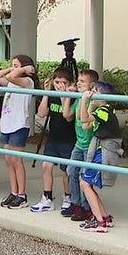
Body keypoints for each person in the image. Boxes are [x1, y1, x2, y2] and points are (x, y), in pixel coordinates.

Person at [0, 54, 39, 209]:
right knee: (8, 159)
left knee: (17, 160)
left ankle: (21, 194)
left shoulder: (27, 81)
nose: (13, 68)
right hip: (7, 123)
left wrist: (23, 70)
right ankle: (13, 191)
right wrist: (12, 68)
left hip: (19, 124)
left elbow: (12, 76)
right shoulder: (12, 81)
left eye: (17, 65)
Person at [77, 81, 123, 233]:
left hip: (103, 151)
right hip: (99, 150)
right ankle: (104, 217)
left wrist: (84, 100)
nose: (90, 93)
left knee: (84, 183)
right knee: (87, 183)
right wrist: (90, 103)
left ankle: (99, 222)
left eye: (94, 91)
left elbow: (84, 119)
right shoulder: (102, 109)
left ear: (102, 96)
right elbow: (85, 125)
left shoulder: (104, 110)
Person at [30, 67, 77, 213]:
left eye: (63, 82)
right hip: (53, 138)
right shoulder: (52, 94)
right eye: (56, 82)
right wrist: (46, 93)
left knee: (66, 171)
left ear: (70, 83)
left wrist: (65, 97)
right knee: (46, 166)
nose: (59, 85)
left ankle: (68, 197)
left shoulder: (74, 96)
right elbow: (41, 113)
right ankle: (47, 198)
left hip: (68, 139)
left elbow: (67, 116)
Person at [64, 68, 99, 221]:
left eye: (82, 81)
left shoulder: (94, 100)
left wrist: (85, 99)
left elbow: (84, 121)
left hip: (90, 144)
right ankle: (75, 202)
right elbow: (67, 115)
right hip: (79, 143)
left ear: (92, 85)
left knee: (84, 177)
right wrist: (68, 96)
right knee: (71, 171)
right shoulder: (79, 98)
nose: (78, 83)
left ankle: (86, 207)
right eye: (78, 80)